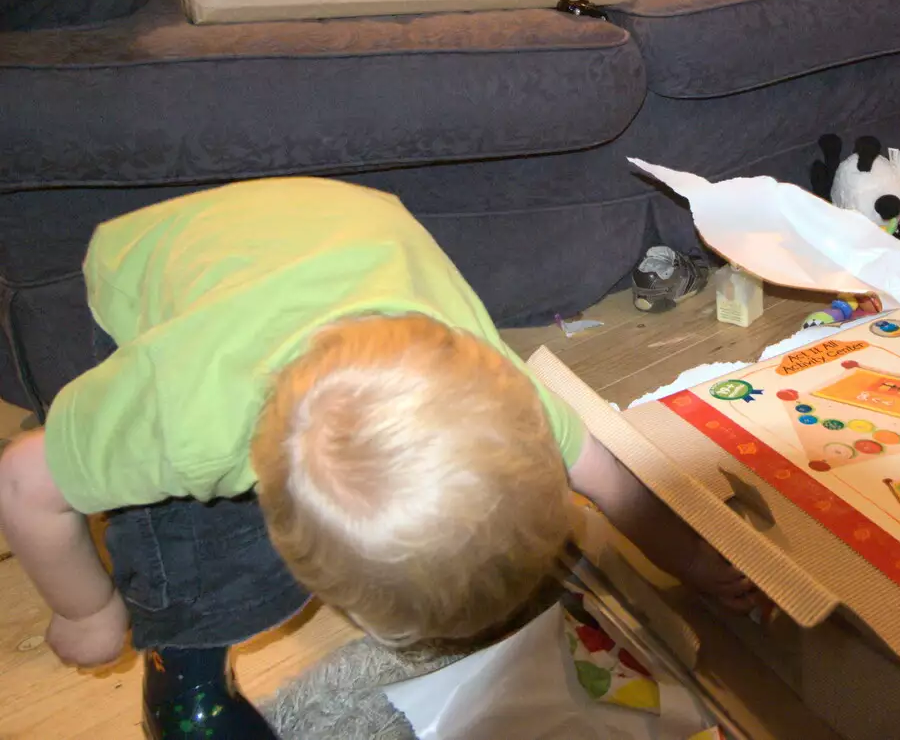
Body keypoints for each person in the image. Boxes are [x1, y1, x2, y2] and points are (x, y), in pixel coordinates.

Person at [0, 178, 756, 738]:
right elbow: (24, 479)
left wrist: (684, 555)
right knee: (206, 583)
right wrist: (88, 609)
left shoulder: (494, 392)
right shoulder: (182, 419)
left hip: (342, 227)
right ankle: (182, 670)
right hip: (160, 265)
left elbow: (605, 477)